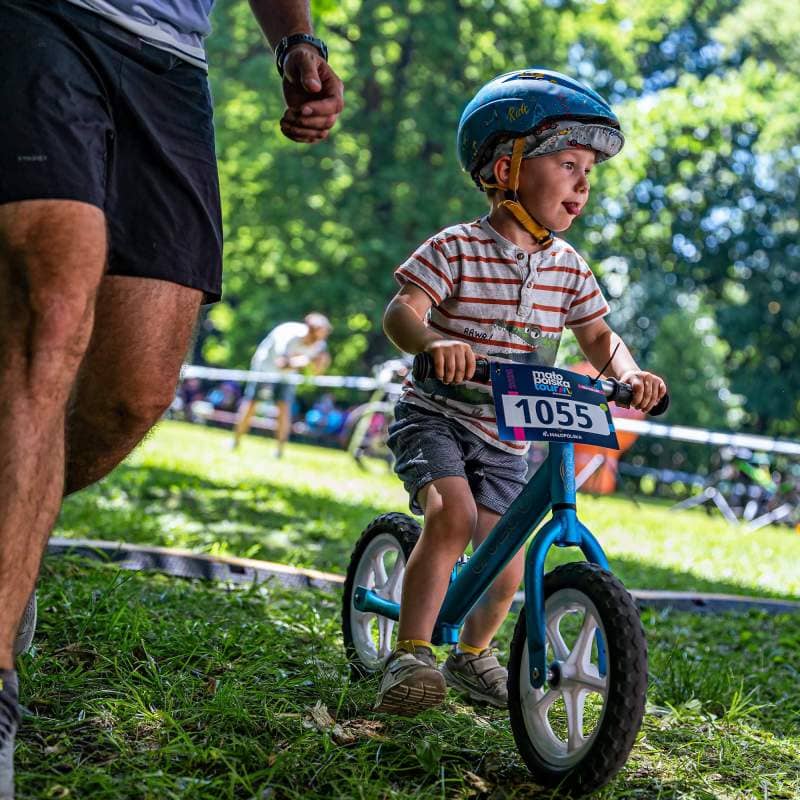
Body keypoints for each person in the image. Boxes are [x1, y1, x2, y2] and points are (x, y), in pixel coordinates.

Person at [0, 1, 343, 796]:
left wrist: (295, 39)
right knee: (52, 310)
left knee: (134, 395)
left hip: (171, 63)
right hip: (38, 17)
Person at [375, 68, 666, 715]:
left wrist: (632, 372)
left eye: (590, 169)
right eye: (568, 163)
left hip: (508, 430)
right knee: (450, 517)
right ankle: (410, 655)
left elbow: (598, 336)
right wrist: (431, 344)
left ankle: (473, 654)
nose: (584, 182)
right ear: (505, 167)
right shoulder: (456, 247)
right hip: (438, 415)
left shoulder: (569, 269)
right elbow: (402, 310)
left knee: (506, 560)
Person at [231, 313, 332, 456]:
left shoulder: (320, 344)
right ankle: (236, 441)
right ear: (311, 331)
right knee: (252, 404)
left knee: (284, 408)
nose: (321, 340)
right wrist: (305, 361)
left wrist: (320, 364)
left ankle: (279, 451)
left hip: (288, 376)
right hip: (265, 370)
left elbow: (317, 370)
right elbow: (281, 363)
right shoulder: (289, 336)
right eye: (319, 335)